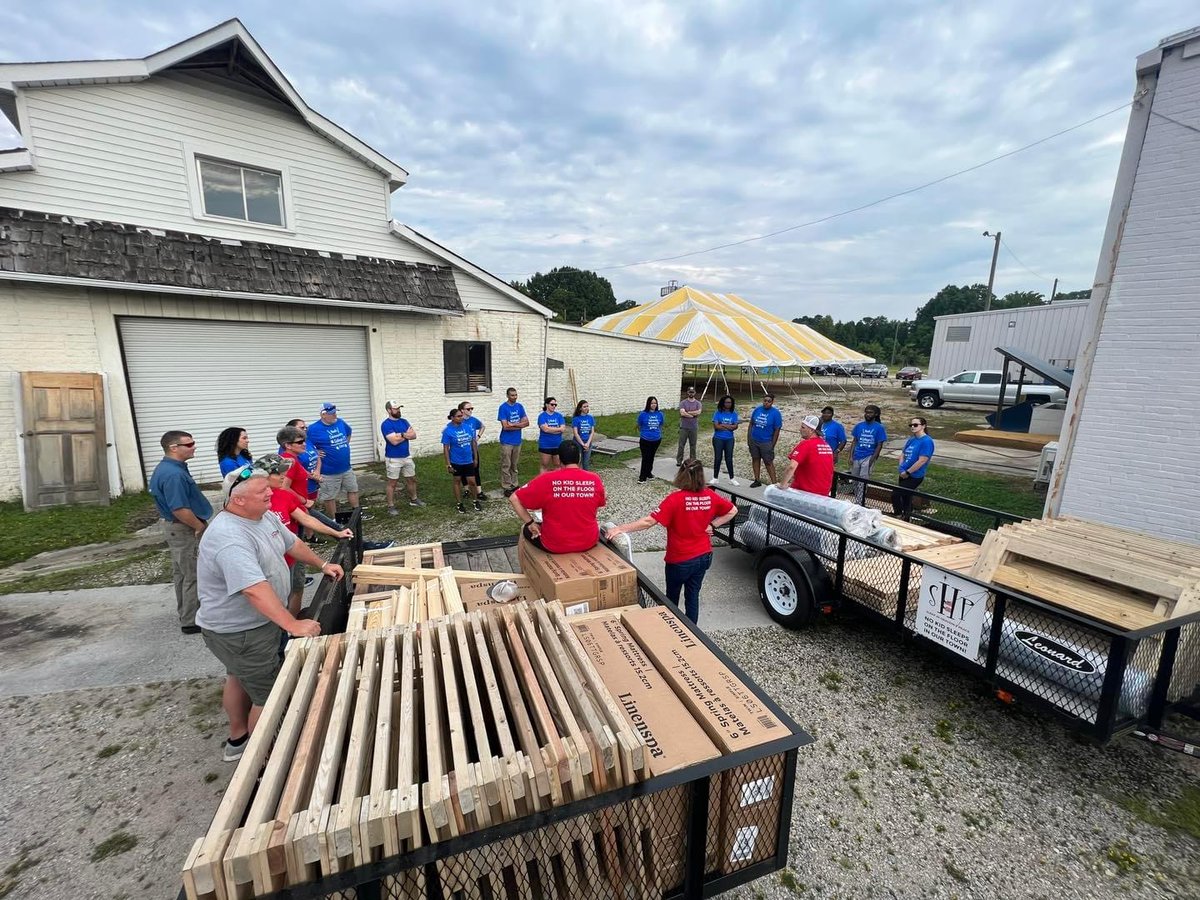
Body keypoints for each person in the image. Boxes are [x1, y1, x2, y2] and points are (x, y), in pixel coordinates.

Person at [196, 467, 339, 761]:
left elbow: (292, 543)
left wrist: (322, 564)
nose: (271, 493)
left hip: (251, 627)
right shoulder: (229, 537)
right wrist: (292, 623)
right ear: (237, 501)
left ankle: (238, 739)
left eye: (268, 488)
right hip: (242, 631)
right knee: (269, 696)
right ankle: (264, 764)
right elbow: (253, 589)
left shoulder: (262, 516)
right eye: (262, 492)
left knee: (239, 676)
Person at [606, 459, 736, 624]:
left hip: (680, 560)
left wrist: (621, 528)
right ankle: (692, 633)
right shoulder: (710, 495)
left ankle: (672, 630)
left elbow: (649, 522)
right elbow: (733, 510)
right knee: (693, 595)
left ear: (681, 475)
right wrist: (713, 524)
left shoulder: (675, 499)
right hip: (703, 555)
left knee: (671, 599)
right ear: (701, 476)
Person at [253, 454, 353, 617]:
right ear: (263, 475)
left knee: (296, 589)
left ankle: (293, 624)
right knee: (275, 600)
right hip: (270, 565)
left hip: (292, 557)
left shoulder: (284, 495)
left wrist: (337, 532)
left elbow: (306, 518)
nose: (283, 476)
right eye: (278, 472)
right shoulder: (254, 501)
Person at [148, 430, 213, 635]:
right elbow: (179, 508)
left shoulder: (172, 468)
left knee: (182, 573)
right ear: (173, 448)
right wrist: (198, 526)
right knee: (193, 574)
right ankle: (192, 620)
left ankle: (186, 612)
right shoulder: (173, 474)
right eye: (189, 444)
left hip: (180, 528)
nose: (194, 446)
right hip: (184, 528)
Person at [509, 442, 606, 552]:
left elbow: (514, 498)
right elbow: (601, 501)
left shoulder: (546, 479)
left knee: (526, 529)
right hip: (588, 541)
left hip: (555, 544)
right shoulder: (594, 479)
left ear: (559, 459)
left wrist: (530, 523)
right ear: (579, 458)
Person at [306, 403, 362, 519]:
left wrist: (345, 444)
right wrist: (316, 452)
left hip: (346, 467)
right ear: (323, 415)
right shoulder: (313, 429)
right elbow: (305, 445)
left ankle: (357, 514)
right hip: (328, 471)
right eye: (332, 414)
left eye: (335, 413)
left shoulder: (340, 422)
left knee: (353, 489)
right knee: (329, 496)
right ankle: (333, 519)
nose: (335, 415)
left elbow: (348, 432)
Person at [381, 401, 425, 515]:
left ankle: (414, 499)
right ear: (389, 410)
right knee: (392, 483)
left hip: (406, 456)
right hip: (393, 458)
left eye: (399, 408)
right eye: (396, 409)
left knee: (411, 479)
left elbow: (414, 435)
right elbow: (393, 442)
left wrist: (401, 434)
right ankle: (390, 506)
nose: (398, 410)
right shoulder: (386, 424)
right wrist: (406, 434)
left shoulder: (404, 421)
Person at [780, 415, 835, 495]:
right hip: (823, 493)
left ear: (811, 430)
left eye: (803, 427)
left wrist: (782, 485)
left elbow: (791, 467)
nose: (800, 429)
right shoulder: (826, 446)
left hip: (806, 493)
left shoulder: (806, 444)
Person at [893, 417, 935, 520]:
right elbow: (903, 454)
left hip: (914, 475)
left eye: (915, 425)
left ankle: (898, 515)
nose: (912, 427)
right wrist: (901, 468)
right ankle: (907, 517)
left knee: (896, 494)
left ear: (923, 426)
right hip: (903, 473)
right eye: (911, 425)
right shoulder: (911, 439)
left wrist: (908, 472)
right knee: (906, 497)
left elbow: (922, 460)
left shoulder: (927, 441)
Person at [442, 407, 482, 513]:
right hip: (456, 461)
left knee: (472, 482)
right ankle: (459, 503)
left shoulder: (467, 427)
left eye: (462, 416)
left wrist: (475, 458)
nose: (461, 418)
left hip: (468, 460)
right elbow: (446, 448)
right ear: (452, 418)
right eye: (459, 416)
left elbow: (473, 442)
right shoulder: (448, 431)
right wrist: (448, 465)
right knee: (457, 481)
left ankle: (475, 500)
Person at [850, 405, 888, 504]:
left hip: (868, 455)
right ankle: (857, 497)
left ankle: (860, 501)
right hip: (857, 455)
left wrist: (872, 459)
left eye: (870, 412)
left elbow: (879, 445)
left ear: (875, 414)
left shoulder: (879, 427)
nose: (867, 414)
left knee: (863, 480)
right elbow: (854, 441)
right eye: (866, 412)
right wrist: (851, 456)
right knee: (854, 479)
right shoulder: (859, 426)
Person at [497, 387, 529, 497]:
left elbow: (527, 423)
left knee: (514, 464)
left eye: (516, 395)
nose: (514, 397)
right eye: (512, 395)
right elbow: (505, 426)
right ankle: (506, 486)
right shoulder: (503, 408)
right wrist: (519, 425)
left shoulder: (519, 406)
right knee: (506, 464)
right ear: (507, 396)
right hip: (506, 441)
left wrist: (513, 425)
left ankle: (514, 484)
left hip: (517, 440)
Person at [747, 394, 783, 488]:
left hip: (766, 442)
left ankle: (774, 483)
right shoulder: (757, 410)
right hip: (754, 440)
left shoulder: (776, 413)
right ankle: (757, 480)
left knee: (768, 462)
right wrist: (749, 438)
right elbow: (751, 424)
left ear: (772, 402)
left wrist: (772, 444)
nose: (766, 403)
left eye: (769, 401)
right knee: (755, 459)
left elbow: (777, 430)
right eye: (765, 400)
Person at [282, 418, 321, 504]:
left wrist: (317, 472)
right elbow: (284, 487)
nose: (304, 444)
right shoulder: (289, 459)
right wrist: (304, 501)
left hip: (311, 486)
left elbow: (317, 455)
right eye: (302, 428)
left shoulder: (306, 442)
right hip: (298, 499)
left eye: (305, 427)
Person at [458, 400, 488, 499]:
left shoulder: (473, 420)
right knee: (463, 471)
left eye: (472, 408)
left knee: (475, 470)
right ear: (462, 410)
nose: (471, 410)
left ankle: (479, 491)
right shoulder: (459, 421)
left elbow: (482, 426)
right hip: (462, 450)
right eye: (468, 409)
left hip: (473, 449)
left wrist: (478, 436)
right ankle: (467, 489)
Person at [710, 395, 740, 485]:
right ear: (723, 403)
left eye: (730, 402)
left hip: (729, 439)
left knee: (729, 458)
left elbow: (735, 426)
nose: (728, 404)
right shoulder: (717, 413)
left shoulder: (734, 413)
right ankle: (715, 478)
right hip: (718, 438)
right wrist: (729, 426)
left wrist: (722, 425)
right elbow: (716, 426)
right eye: (726, 402)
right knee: (718, 458)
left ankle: (732, 478)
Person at [636, 396, 664, 483]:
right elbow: (639, 425)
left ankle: (648, 473)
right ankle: (642, 477)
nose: (653, 405)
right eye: (652, 403)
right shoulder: (643, 414)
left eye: (655, 403)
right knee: (645, 458)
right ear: (648, 404)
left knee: (651, 457)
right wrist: (645, 433)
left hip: (656, 439)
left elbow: (661, 424)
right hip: (645, 439)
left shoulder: (660, 414)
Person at [537, 397, 566, 474]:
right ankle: (543, 483)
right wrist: (557, 429)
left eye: (555, 405)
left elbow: (562, 429)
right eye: (552, 404)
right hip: (545, 445)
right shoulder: (542, 416)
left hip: (557, 444)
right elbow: (545, 429)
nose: (554, 406)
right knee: (544, 465)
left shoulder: (559, 416)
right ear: (546, 404)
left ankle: (557, 482)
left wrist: (550, 429)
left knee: (557, 465)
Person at [676, 386, 702, 466]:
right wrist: (692, 414)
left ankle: (692, 460)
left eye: (692, 392)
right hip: (684, 427)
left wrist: (688, 412)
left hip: (693, 427)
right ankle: (679, 461)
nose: (691, 393)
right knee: (681, 445)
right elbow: (682, 413)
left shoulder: (698, 403)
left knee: (693, 445)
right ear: (687, 392)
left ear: (695, 393)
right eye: (690, 392)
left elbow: (698, 412)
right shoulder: (683, 403)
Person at [571, 400, 596, 470]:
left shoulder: (590, 418)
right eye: (584, 407)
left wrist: (587, 443)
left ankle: (585, 477)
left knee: (586, 462)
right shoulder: (576, 419)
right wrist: (583, 444)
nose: (586, 408)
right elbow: (576, 433)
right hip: (578, 443)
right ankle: (578, 477)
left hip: (588, 442)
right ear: (580, 408)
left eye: (587, 406)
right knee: (579, 461)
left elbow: (592, 432)